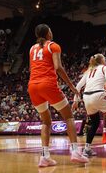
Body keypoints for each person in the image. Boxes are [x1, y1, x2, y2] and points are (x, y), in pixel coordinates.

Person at [28, 24, 88, 167]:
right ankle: (75, 152)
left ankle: (44, 156)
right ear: (48, 33)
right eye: (51, 30)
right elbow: (58, 67)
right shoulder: (54, 46)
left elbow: (32, 68)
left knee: (46, 122)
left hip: (33, 86)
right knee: (68, 116)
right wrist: (72, 87)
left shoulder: (32, 48)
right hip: (47, 84)